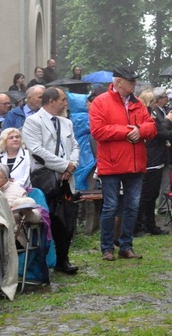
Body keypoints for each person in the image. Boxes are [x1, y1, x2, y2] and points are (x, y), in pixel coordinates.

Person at [89, 66, 156, 262]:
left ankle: (125, 246)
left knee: (132, 207)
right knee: (110, 206)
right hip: (111, 164)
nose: (134, 83)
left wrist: (140, 130)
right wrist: (128, 131)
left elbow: (151, 128)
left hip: (134, 164)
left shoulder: (138, 104)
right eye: (130, 80)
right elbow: (98, 131)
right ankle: (107, 248)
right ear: (118, 82)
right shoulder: (100, 102)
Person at [22, 87, 81, 274]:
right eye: (63, 99)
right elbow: (37, 150)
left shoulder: (66, 123)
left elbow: (75, 146)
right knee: (47, 219)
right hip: (46, 179)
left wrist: (72, 165)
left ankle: (63, 259)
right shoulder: (33, 121)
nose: (66, 103)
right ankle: (43, 260)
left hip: (66, 179)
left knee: (67, 219)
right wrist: (64, 165)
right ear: (51, 101)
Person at [135, 90, 172, 236]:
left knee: (151, 196)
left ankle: (149, 225)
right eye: (155, 101)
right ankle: (139, 226)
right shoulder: (150, 118)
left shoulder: (152, 116)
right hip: (152, 160)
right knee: (146, 196)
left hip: (155, 159)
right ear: (151, 102)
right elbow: (165, 133)